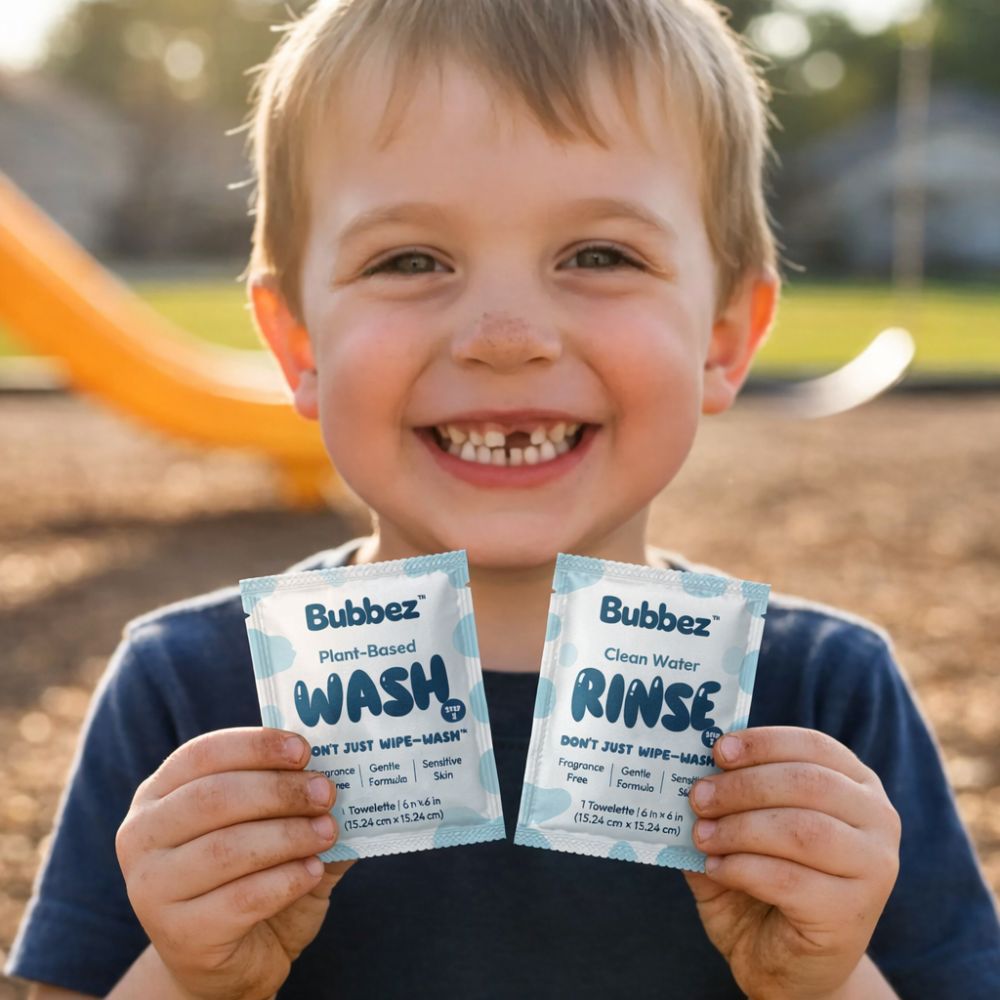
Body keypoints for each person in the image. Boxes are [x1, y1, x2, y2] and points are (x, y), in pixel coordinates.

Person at [7, 1, 1000, 997]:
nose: (506, 333)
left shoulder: (827, 700)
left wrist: (821, 980)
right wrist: (191, 976)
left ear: (724, 336)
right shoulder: (186, 694)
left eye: (599, 255)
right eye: (409, 260)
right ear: (298, 345)